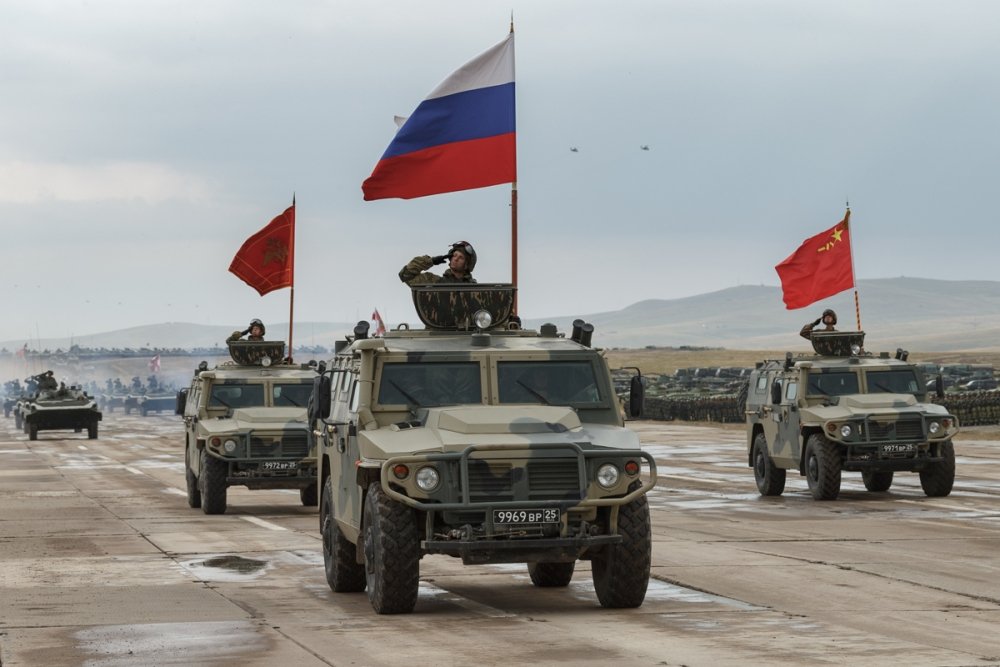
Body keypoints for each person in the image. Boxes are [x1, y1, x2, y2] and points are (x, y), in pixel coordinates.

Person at [399, 241, 477, 285]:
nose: (456, 259)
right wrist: (431, 261)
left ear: (466, 265)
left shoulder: (474, 289)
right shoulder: (434, 282)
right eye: (454, 255)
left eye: (461, 258)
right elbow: (406, 275)